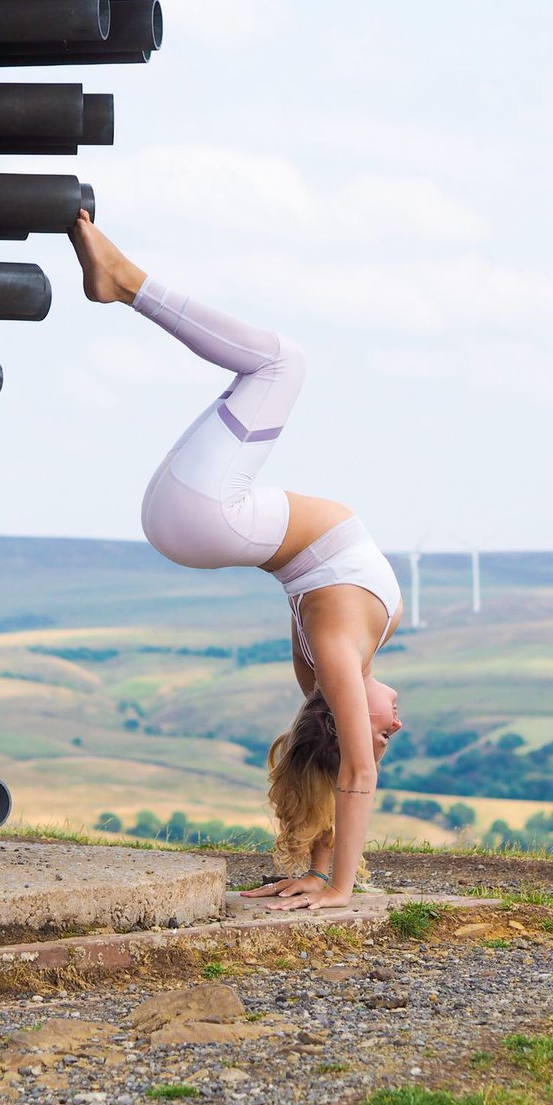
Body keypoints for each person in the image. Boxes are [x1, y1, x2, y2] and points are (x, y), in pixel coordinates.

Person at [69, 211, 403, 910]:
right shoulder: (330, 664)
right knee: (268, 370)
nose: (395, 726)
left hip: (207, 512)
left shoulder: (337, 657)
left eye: (377, 733)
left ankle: (125, 281)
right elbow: (334, 761)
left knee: (283, 362)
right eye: (384, 734)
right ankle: (119, 280)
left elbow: (355, 773)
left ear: (339, 721)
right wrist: (316, 866)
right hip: (196, 516)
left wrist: (339, 887)